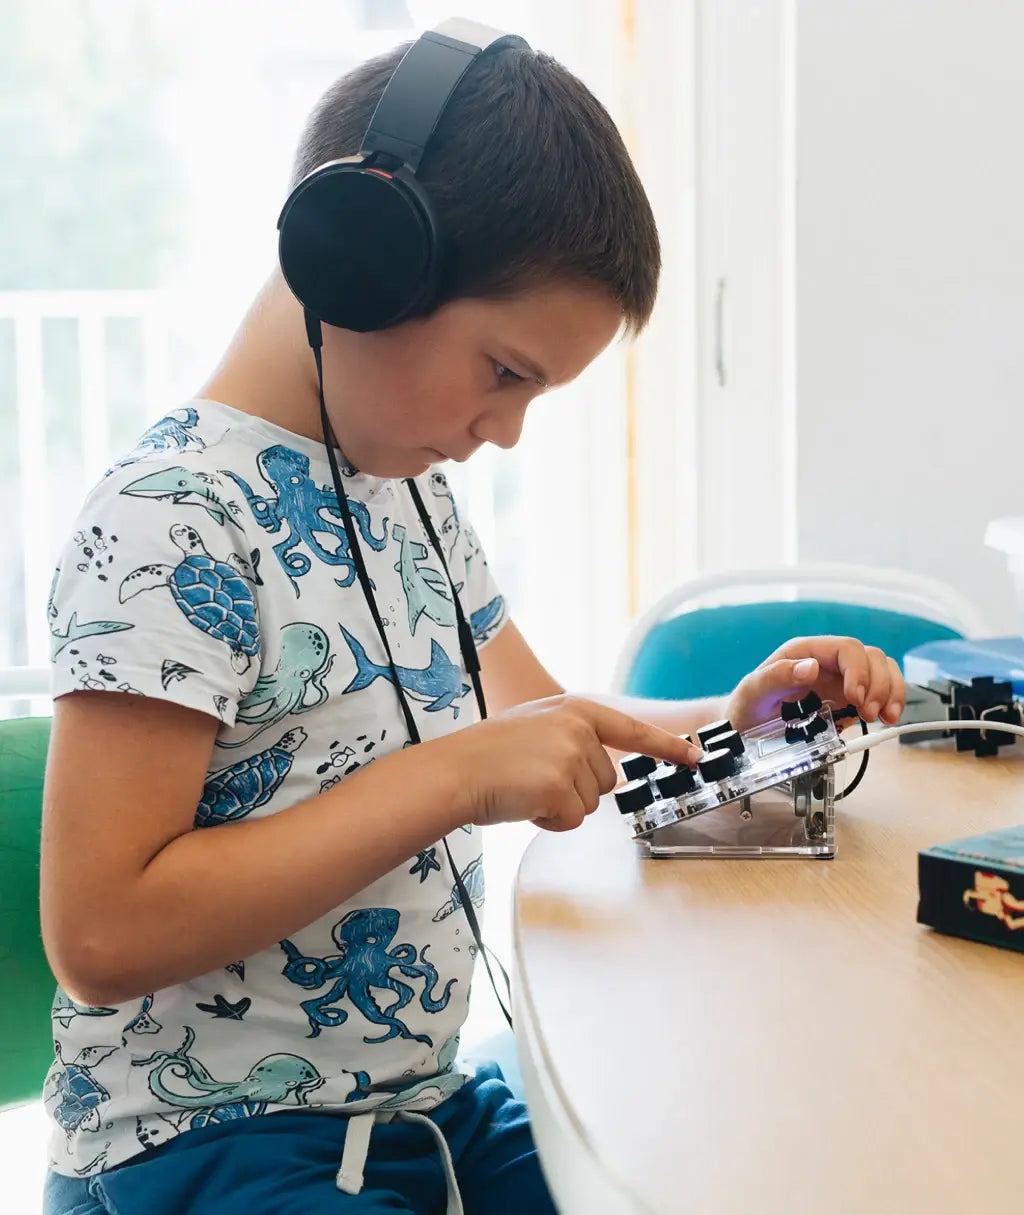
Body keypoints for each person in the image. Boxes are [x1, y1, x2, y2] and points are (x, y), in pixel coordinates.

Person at [39, 24, 905, 1215]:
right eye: (504, 372)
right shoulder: (169, 520)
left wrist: (734, 717)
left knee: (694, 1174)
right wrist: (448, 780)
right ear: (359, 264)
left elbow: (534, 717)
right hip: (206, 1144)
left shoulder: (407, 490)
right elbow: (100, 930)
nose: (506, 430)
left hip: (416, 1107)